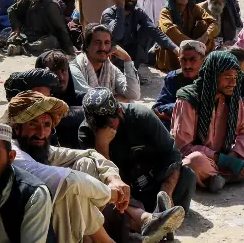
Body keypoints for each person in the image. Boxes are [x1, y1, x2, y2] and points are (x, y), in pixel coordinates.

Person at [7, 91, 177, 243]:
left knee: (86, 164)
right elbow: (69, 180)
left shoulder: (41, 147)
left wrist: (114, 178)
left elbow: (89, 154)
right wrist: (111, 193)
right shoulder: (12, 152)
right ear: (17, 128)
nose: (41, 132)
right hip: (27, 223)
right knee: (70, 191)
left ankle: (137, 225)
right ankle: (130, 227)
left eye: (46, 125)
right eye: (33, 124)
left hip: (139, 186)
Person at [171, 51, 244, 192]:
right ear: (213, 76)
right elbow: (183, 147)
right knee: (193, 161)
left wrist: (234, 155)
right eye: (227, 77)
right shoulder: (188, 100)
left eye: (235, 77)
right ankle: (230, 175)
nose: (233, 83)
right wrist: (219, 158)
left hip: (226, 153)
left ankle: (222, 178)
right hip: (205, 159)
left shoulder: (233, 97)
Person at [79, 88, 193, 217]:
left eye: (106, 123)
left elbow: (172, 154)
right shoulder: (87, 132)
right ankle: (143, 219)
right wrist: (102, 147)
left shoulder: (142, 116)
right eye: (96, 125)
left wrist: (166, 193)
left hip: (152, 181)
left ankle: (162, 211)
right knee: (107, 204)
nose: (103, 129)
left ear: (119, 112)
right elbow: (100, 177)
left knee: (187, 176)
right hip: (123, 194)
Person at [101, 0, 179, 68]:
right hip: (113, 55)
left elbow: (154, 30)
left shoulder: (138, 12)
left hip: (130, 51)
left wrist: (175, 48)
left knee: (148, 30)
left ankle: (135, 67)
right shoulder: (108, 13)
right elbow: (117, 35)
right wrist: (120, 7)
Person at [5, 0, 75, 57]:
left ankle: (21, 48)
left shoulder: (50, 4)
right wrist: (16, 28)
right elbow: (12, 10)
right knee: (11, 36)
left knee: (50, 42)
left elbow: (60, 29)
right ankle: (19, 46)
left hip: (45, 37)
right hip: (29, 34)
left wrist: (70, 51)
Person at [157, 0, 219, 72]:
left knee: (205, 24)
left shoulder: (193, 8)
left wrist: (205, 36)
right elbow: (170, 31)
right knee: (172, 33)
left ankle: (203, 59)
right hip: (175, 48)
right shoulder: (165, 12)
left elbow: (214, 23)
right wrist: (191, 43)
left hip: (192, 42)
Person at [153, 40, 206, 126]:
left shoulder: (210, 79)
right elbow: (159, 108)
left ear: (203, 60)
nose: (187, 65)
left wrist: (183, 108)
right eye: (183, 60)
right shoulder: (174, 78)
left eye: (193, 60)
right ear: (179, 60)